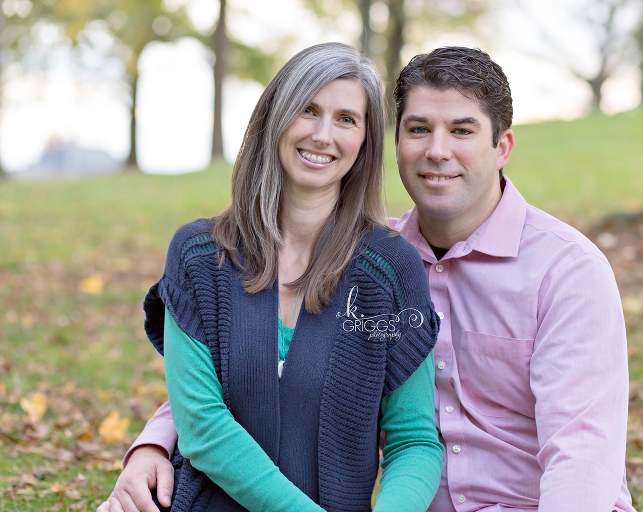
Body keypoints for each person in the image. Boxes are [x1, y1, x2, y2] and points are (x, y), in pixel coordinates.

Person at [99, 46, 636, 512]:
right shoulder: (380, 258)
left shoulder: (565, 271)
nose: (437, 150)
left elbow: (581, 454)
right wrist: (152, 444)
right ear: (395, 142)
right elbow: (234, 379)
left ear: (502, 148)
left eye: (462, 131)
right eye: (419, 129)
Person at [98, 42, 445, 512]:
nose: (323, 135)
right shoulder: (200, 256)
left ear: (365, 141)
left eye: (346, 119)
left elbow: (414, 440)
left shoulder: (388, 271)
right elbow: (201, 426)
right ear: (275, 118)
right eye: (308, 110)